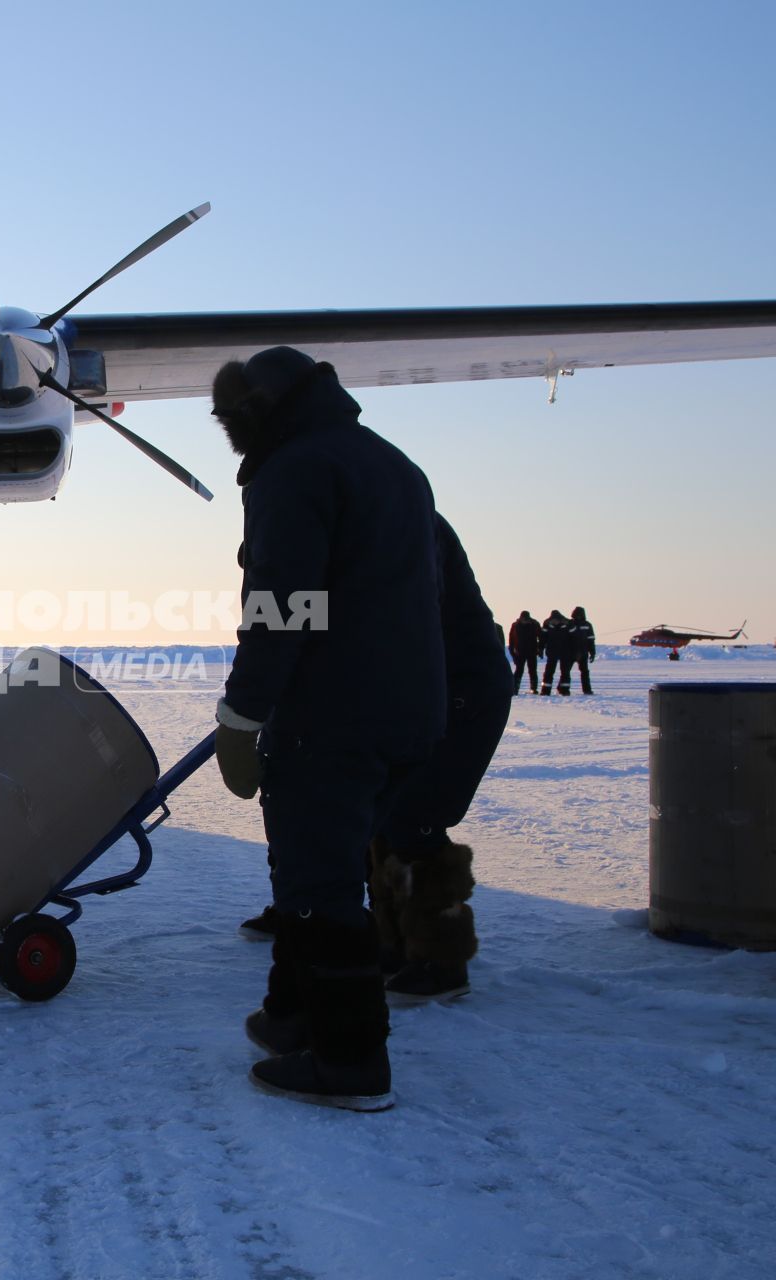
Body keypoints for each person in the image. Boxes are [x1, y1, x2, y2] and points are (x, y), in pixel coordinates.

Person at [211, 347, 445, 1113]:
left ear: (255, 414)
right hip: (405, 709)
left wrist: (243, 713)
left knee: (320, 884)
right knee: (318, 867)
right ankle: (295, 1016)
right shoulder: (389, 462)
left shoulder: (296, 469)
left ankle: (350, 1062)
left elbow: (283, 605)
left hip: (333, 712)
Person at [369, 515, 512, 1004]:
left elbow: (406, 607)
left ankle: (441, 958)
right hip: (407, 685)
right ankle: (395, 943)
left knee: (416, 814)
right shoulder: (349, 513)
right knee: (384, 813)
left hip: (458, 684)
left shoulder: (401, 515)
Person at [507, 609, 542, 695]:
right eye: (524, 619)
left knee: (533, 670)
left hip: (532, 652)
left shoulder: (535, 624)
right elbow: (511, 640)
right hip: (520, 652)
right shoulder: (515, 625)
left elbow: (541, 637)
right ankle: (514, 688)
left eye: (527, 619)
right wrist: (513, 654)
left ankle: (533, 688)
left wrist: (540, 650)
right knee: (519, 671)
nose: (525, 621)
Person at [563, 605, 596, 695]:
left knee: (584, 672)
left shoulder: (587, 625)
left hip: (583, 652)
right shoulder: (569, 624)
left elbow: (591, 639)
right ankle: (563, 688)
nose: (578, 616)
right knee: (566, 671)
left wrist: (592, 652)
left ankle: (587, 690)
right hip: (570, 652)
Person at [539, 608, 571, 696]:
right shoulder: (547, 624)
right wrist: (540, 649)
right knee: (549, 671)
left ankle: (564, 690)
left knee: (565, 671)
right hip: (552, 651)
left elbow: (573, 639)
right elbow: (542, 638)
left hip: (565, 651)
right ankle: (545, 690)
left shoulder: (568, 624)